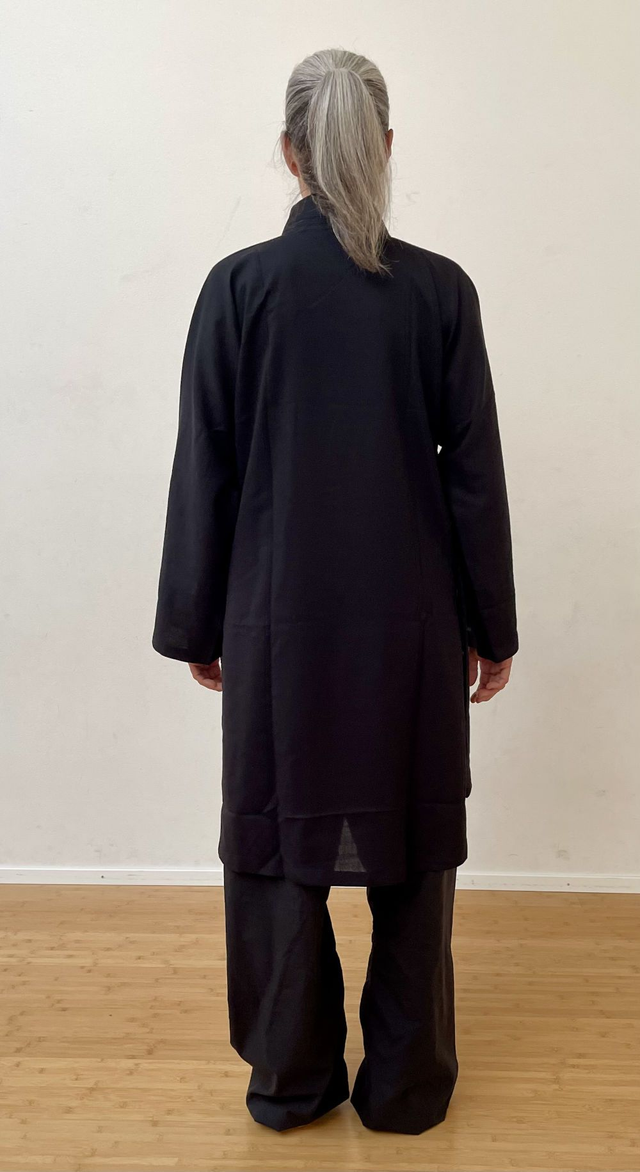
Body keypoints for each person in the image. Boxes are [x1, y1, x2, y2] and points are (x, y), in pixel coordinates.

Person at [152, 47, 518, 1135]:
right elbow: (472, 476)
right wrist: (491, 625)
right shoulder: (439, 291)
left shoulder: (240, 288)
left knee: (276, 850)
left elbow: (206, 469)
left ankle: (291, 1079)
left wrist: (196, 622)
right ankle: (406, 1088)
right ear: (386, 147)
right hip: (414, 625)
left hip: (276, 625)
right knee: (413, 858)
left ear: (289, 152)